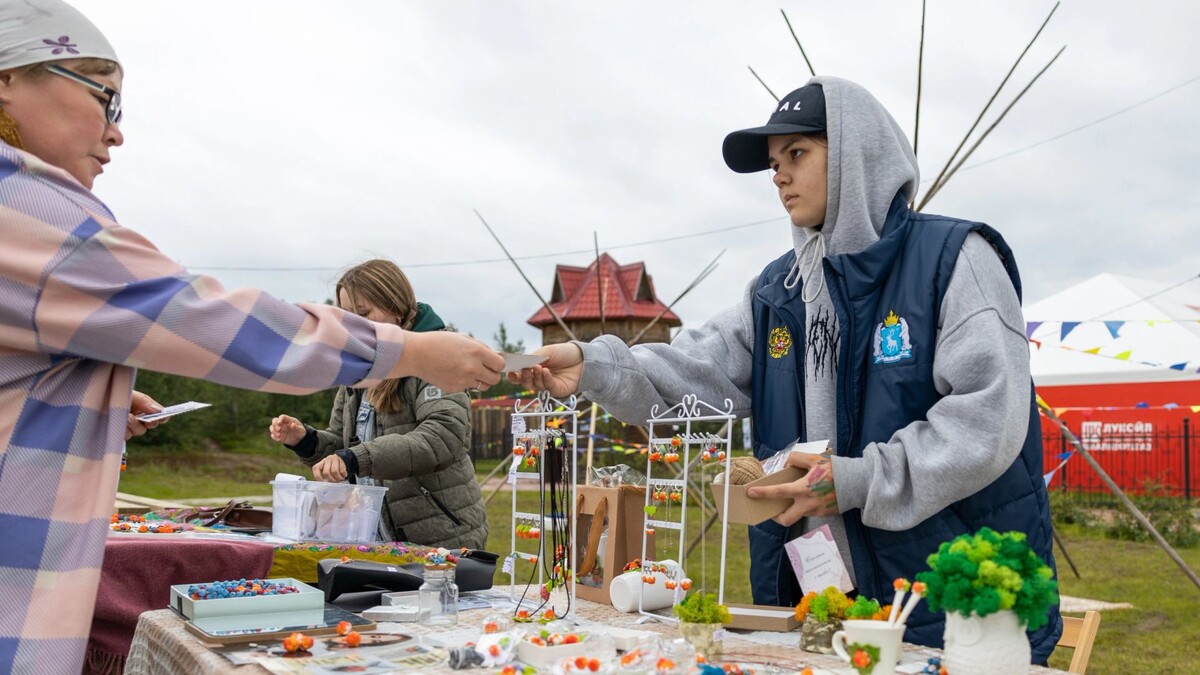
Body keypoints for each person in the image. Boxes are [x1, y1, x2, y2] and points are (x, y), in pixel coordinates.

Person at [0, 2, 503, 672]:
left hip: (437, 537)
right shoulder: (28, 209)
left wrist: (94, 405)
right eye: (107, 100)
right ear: (9, 78)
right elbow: (203, 317)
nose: (116, 134)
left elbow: (439, 439)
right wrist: (352, 406)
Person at [512, 76, 1061, 661]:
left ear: (855, 156)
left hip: (938, 602)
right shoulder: (778, 291)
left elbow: (986, 420)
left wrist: (856, 479)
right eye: (774, 162)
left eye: (797, 153)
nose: (779, 175)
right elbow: (693, 371)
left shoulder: (954, 262)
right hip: (812, 603)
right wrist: (593, 363)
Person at [269, 259, 488, 549]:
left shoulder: (437, 357)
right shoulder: (358, 370)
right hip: (378, 539)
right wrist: (306, 440)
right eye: (346, 315)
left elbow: (442, 438)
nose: (353, 324)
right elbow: (343, 445)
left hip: (441, 540)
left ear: (396, 307)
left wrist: (356, 458)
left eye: (363, 313)